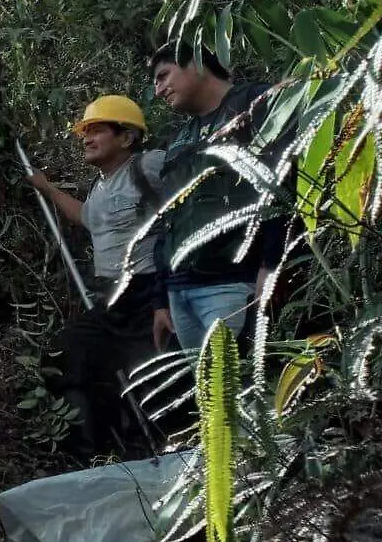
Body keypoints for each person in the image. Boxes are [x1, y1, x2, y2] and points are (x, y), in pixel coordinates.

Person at [26, 94, 166, 459]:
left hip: (147, 292)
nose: (86, 138)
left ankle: (150, 454)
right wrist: (48, 189)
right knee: (65, 355)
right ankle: (90, 455)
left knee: (149, 379)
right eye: (84, 132)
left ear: (127, 137)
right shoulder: (100, 186)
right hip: (110, 299)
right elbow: (87, 219)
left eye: (97, 130)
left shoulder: (149, 165)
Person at [149, 42, 293, 352]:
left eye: (163, 76)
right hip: (180, 292)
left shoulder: (256, 103)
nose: (158, 90)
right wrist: (161, 298)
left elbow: (282, 183)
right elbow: (167, 217)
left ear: (198, 64)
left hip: (233, 283)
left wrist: (273, 263)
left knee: (242, 388)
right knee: (210, 397)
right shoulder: (178, 140)